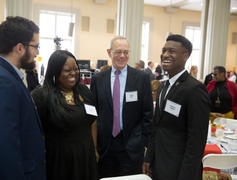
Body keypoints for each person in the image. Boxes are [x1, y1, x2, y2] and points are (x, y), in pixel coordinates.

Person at [0, 16, 46, 180]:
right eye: (36, 46)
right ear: (20, 48)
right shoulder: (0, 82)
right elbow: (4, 151)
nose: (38, 52)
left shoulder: (6, 76)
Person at [143, 34, 210, 180]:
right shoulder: (162, 87)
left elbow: (196, 141)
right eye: (163, 50)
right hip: (159, 164)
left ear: (185, 56)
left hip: (180, 170)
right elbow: (157, 126)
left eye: (171, 51)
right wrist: (149, 157)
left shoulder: (194, 89)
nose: (165, 55)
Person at [90, 36, 153, 178]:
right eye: (118, 52)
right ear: (109, 52)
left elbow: (148, 114)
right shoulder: (98, 79)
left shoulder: (141, 78)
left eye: (126, 52)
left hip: (131, 146)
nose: (122, 56)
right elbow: (94, 113)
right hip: (105, 146)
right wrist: (94, 145)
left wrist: (144, 143)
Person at [31, 50, 98, 180]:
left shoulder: (84, 91)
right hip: (59, 160)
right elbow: (31, 131)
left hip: (86, 155)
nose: (73, 73)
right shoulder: (42, 96)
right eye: (67, 70)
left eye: (75, 69)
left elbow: (93, 120)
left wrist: (94, 148)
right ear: (55, 71)